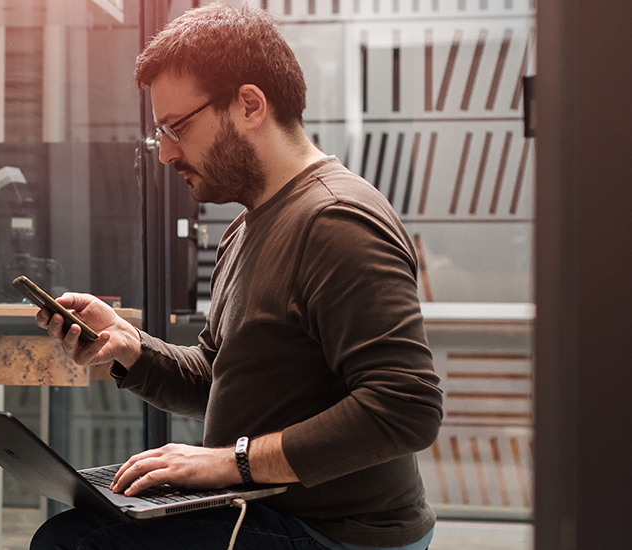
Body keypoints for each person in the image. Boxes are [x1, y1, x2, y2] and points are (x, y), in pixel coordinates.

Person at [29, 4, 443, 550]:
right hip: (269, 509)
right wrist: (129, 347)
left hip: (338, 534)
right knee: (80, 525)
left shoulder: (336, 220)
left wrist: (232, 464)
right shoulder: (246, 227)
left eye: (176, 128)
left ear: (250, 105)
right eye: (161, 135)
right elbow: (217, 378)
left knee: (74, 542)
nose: (167, 154)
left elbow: (407, 408)